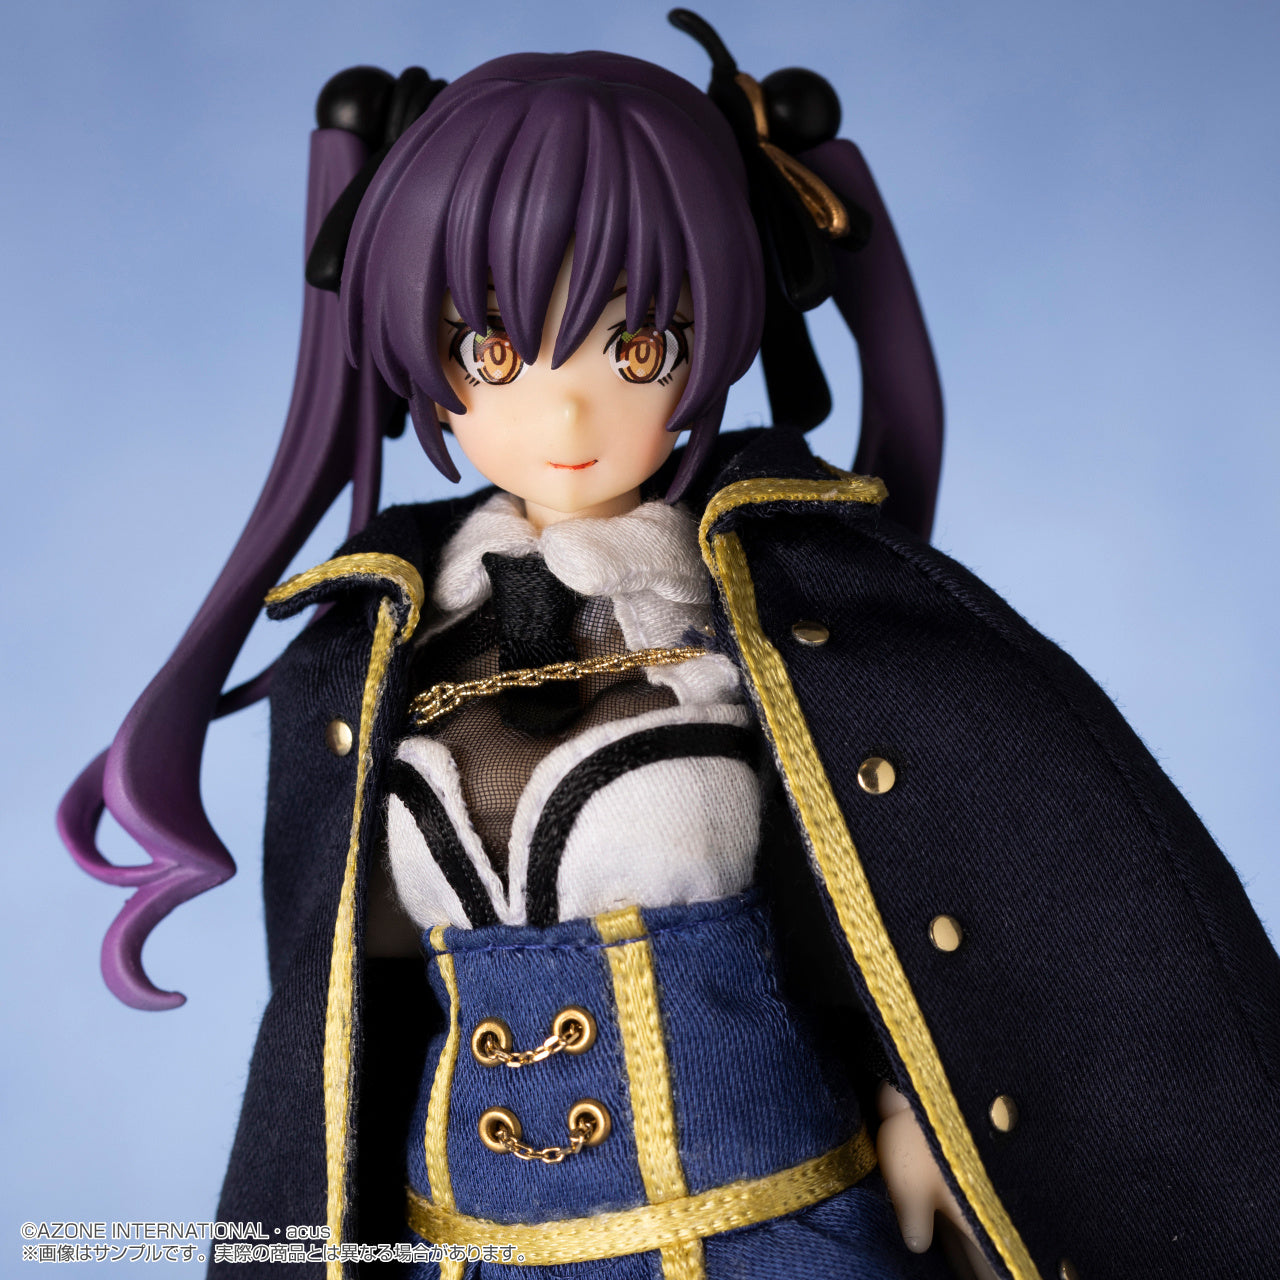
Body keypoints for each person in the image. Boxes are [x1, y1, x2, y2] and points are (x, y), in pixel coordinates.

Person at [57, 14, 1280, 1280]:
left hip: (766, 1220)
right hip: (470, 1243)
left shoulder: (773, 606)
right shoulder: (369, 647)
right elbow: (341, 1015)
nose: (565, 408)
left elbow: (894, 871)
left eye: (635, 346)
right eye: (490, 349)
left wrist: (924, 1097)